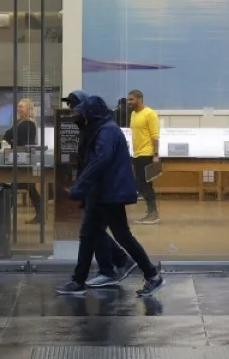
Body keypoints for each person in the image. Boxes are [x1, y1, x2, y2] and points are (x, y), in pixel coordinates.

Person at [55, 94, 164, 298]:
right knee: (89, 234)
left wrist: (80, 186)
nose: (78, 117)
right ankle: (78, 280)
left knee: (121, 235)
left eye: (82, 113)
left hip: (108, 193)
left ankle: (152, 275)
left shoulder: (106, 131)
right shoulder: (103, 129)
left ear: (91, 113)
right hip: (102, 192)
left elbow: (100, 161)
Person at [65, 91, 135, 288]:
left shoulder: (102, 129)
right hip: (98, 189)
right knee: (95, 231)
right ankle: (118, 264)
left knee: (99, 232)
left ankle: (118, 268)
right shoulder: (91, 127)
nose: (72, 110)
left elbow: (99, 161)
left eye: (75, 106)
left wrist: (81, 186)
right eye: (70, 106)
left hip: (103, 190)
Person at [4, 99, 44, 224]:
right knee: (26, 187)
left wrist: (12, 140)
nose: (18, 109)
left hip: (23, 160)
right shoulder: (20, 122)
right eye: (18, 107)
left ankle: (2, 216)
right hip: (20, 159)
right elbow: (7, 135)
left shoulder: (28, 124)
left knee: (19, 187)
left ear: (28, 109)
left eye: (21, 107)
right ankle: (40, 215)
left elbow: (13, 137)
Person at [127, 89, 161, 224]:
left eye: (131, 99)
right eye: (128, 99)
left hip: (147, 154)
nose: (129, 102)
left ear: (140, 99)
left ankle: (153, 214)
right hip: (137, 154)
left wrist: (156, 155)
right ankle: (150, 211)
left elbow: (155, 136)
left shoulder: (150, 114)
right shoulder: (134, 114)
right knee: (140, 184)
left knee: (146, 185)